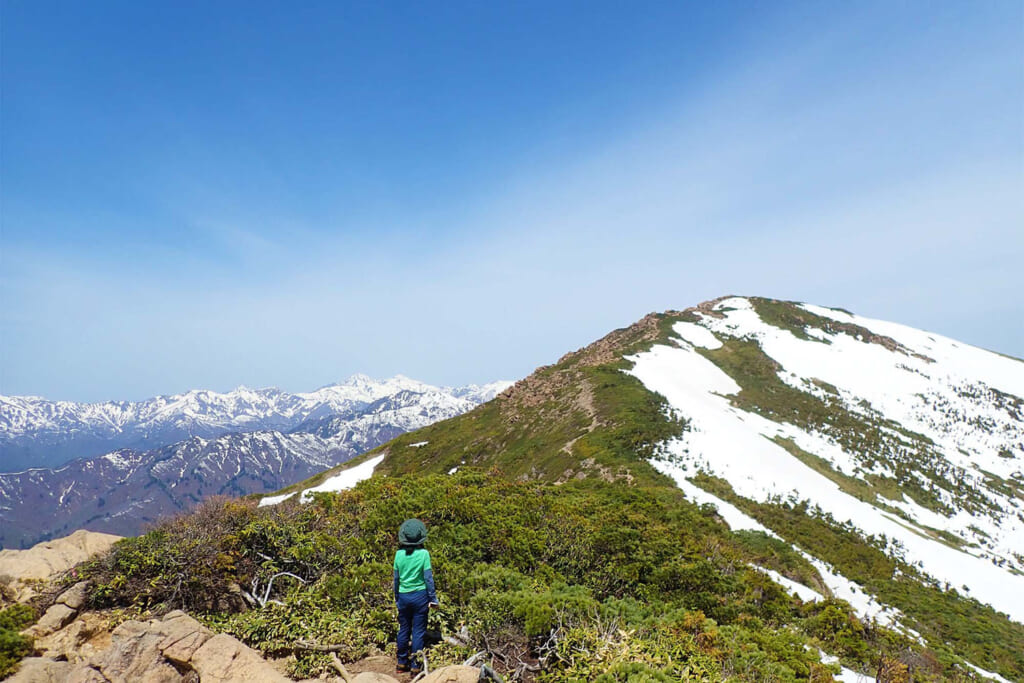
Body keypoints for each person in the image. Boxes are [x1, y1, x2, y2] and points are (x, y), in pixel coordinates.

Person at [393, 518, 439, 674]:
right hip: (420, 596)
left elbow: (396, 579)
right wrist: (433, 599)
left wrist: (397, 598)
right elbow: (428, 579)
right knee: (418, 631)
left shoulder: (398, 554)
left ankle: (401, 663)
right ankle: (415, 666)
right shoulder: (424, 554)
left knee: (404, 629)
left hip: (404, 596)